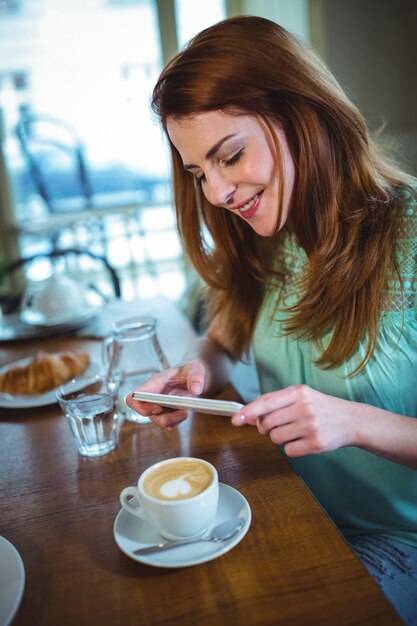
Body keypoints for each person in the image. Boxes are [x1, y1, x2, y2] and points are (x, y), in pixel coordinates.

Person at [126, 16, 417, 623]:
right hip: (292, 503)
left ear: (303, 113)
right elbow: (223, 338)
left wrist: (354, 421)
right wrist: (198, 373)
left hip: (400, 543)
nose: (218, 194)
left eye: (230, 156)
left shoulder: (408, 239)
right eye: (199, 173)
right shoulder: (269, 234)